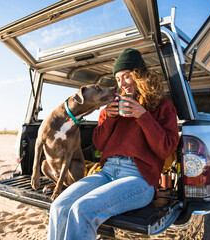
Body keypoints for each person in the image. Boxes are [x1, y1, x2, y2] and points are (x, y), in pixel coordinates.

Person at [47, 48, 179, 240]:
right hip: (107, 172)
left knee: (83, 209)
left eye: (126, 76)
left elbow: (165, 148)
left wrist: (143, 116)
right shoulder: (112, 107)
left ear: (140, 75)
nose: (121, 84)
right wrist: (109, 118)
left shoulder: (162, 106)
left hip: (139, 178)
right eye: (117, 79)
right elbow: (99, 145)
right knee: (60, 206)